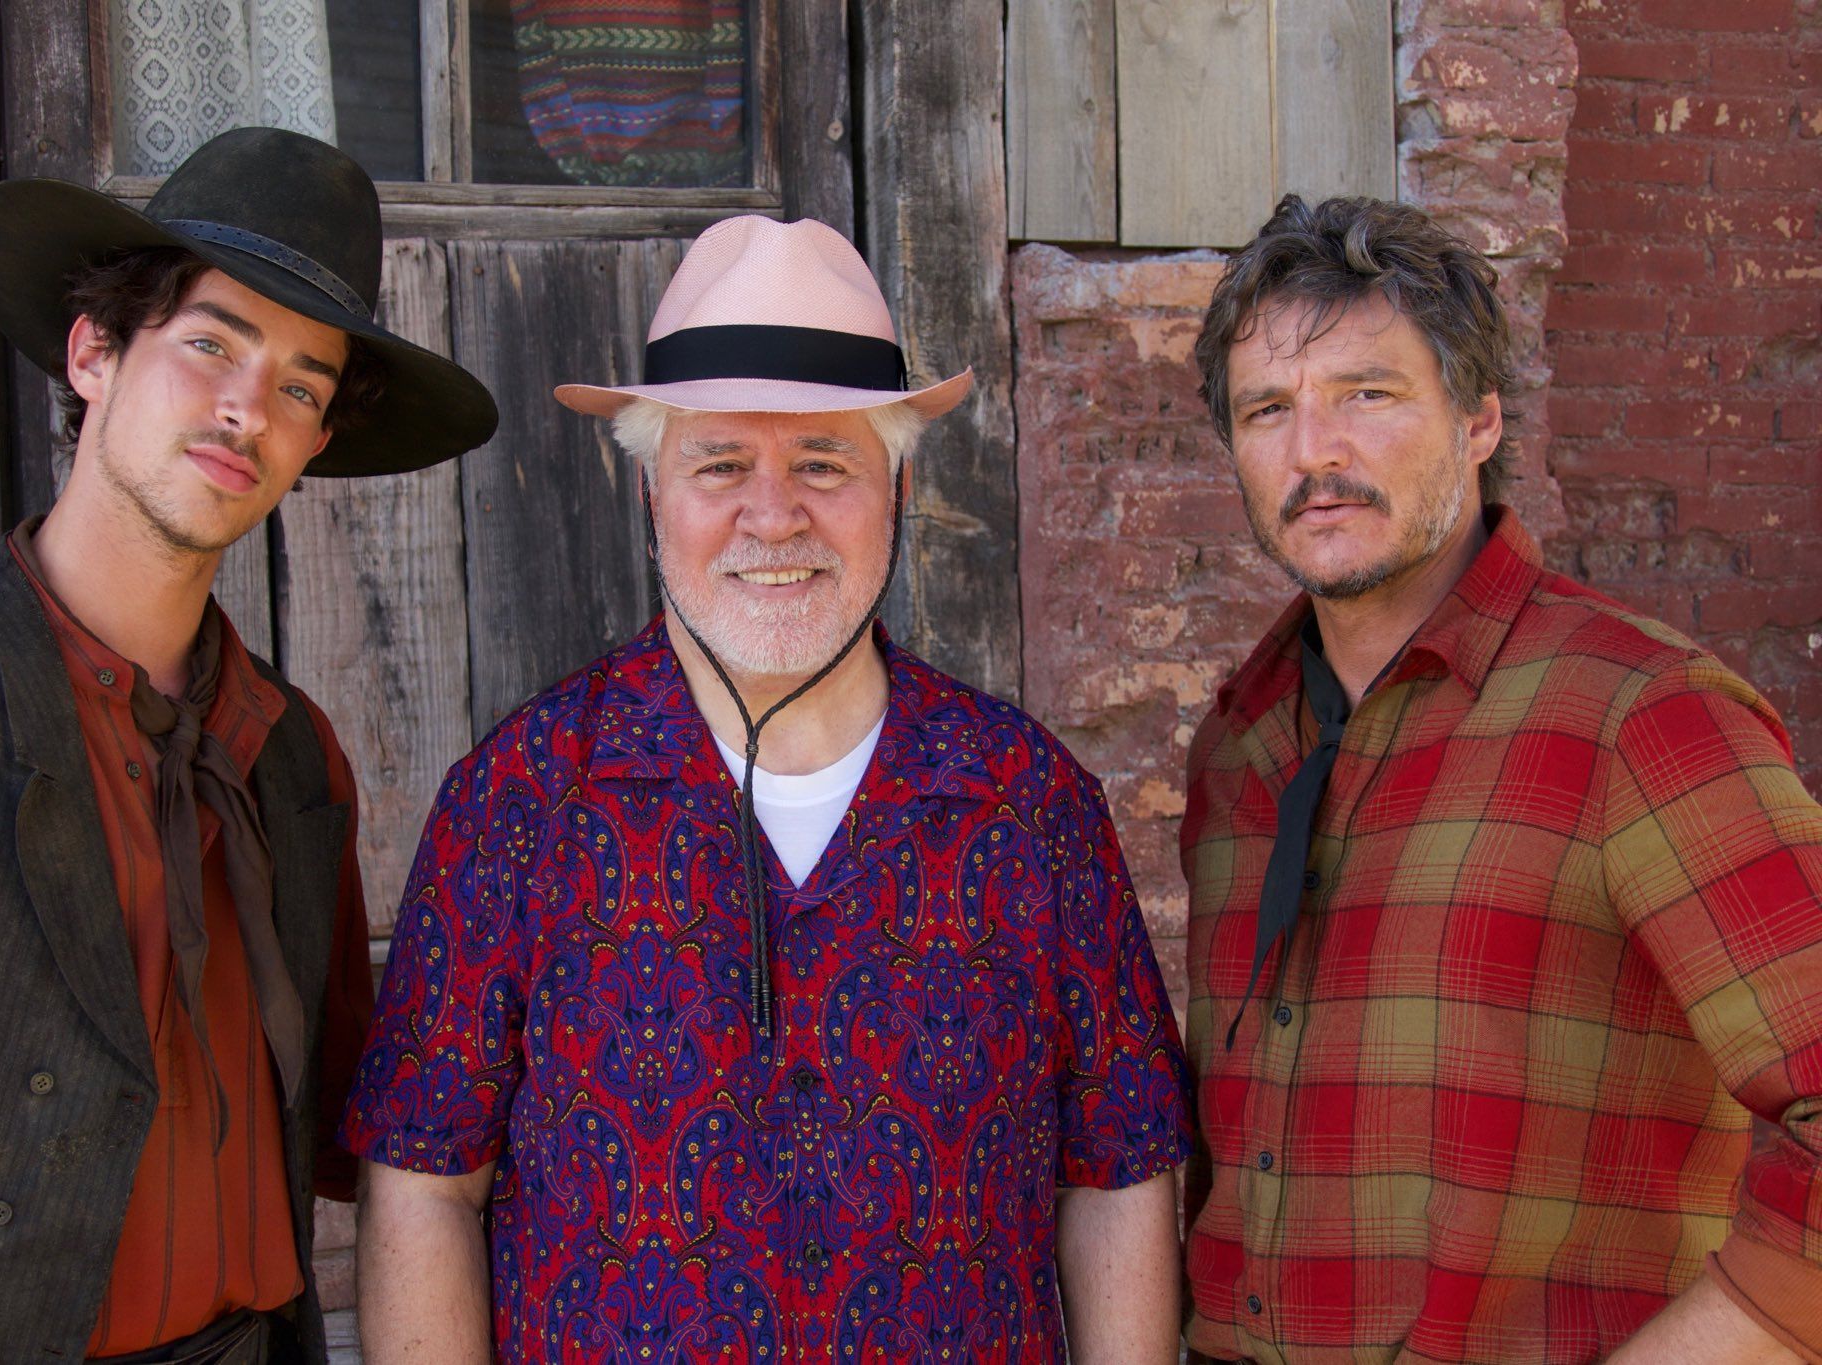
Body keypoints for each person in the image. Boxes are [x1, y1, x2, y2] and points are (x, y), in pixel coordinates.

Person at [342, 215, 1193, 1361]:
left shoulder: (1031, 803)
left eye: (823, 462)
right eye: (720, 464)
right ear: (650, 492)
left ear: (897, 484)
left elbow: (1117, 1169)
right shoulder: (519, 798)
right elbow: (422, 1180)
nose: (773, 514)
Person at [0, 127, 497, 1363]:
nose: (245, 409)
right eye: (210, 343)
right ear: (94, 352)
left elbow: (360, 1126)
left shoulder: (292, 756)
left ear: (316, 442)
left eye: (301, 387)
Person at [1180, 193, 1822, 1363]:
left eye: (1367, 394)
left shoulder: (1638, 715)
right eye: (1267, 408)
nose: (1312, 450)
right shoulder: (1238, 745)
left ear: (1477, 420)